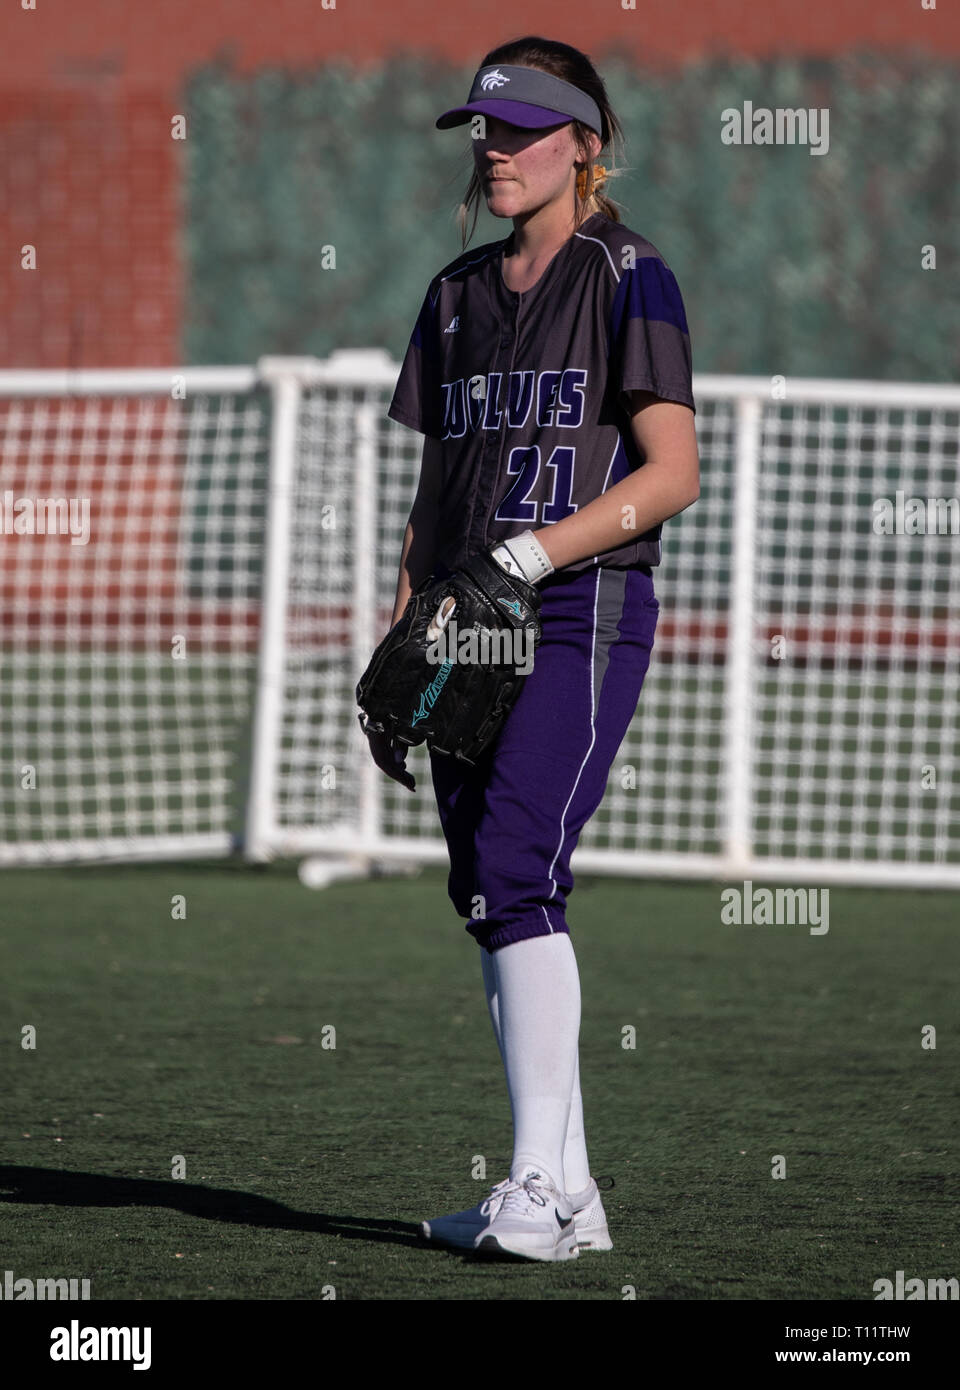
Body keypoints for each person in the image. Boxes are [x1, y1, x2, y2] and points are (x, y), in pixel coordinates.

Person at [364, 35, 700, 1262]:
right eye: (484, 130)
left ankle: (535, 1190)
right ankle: (567, 1189)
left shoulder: (629, 273)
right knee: (487, 889)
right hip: (471, 619)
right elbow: (435, 486)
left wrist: (534, 554)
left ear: (586, 144)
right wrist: (410, 626)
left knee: (516, 856)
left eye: (522, 128)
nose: (495, 148)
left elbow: (673, 473)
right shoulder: (454, 296)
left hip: (581, 607)